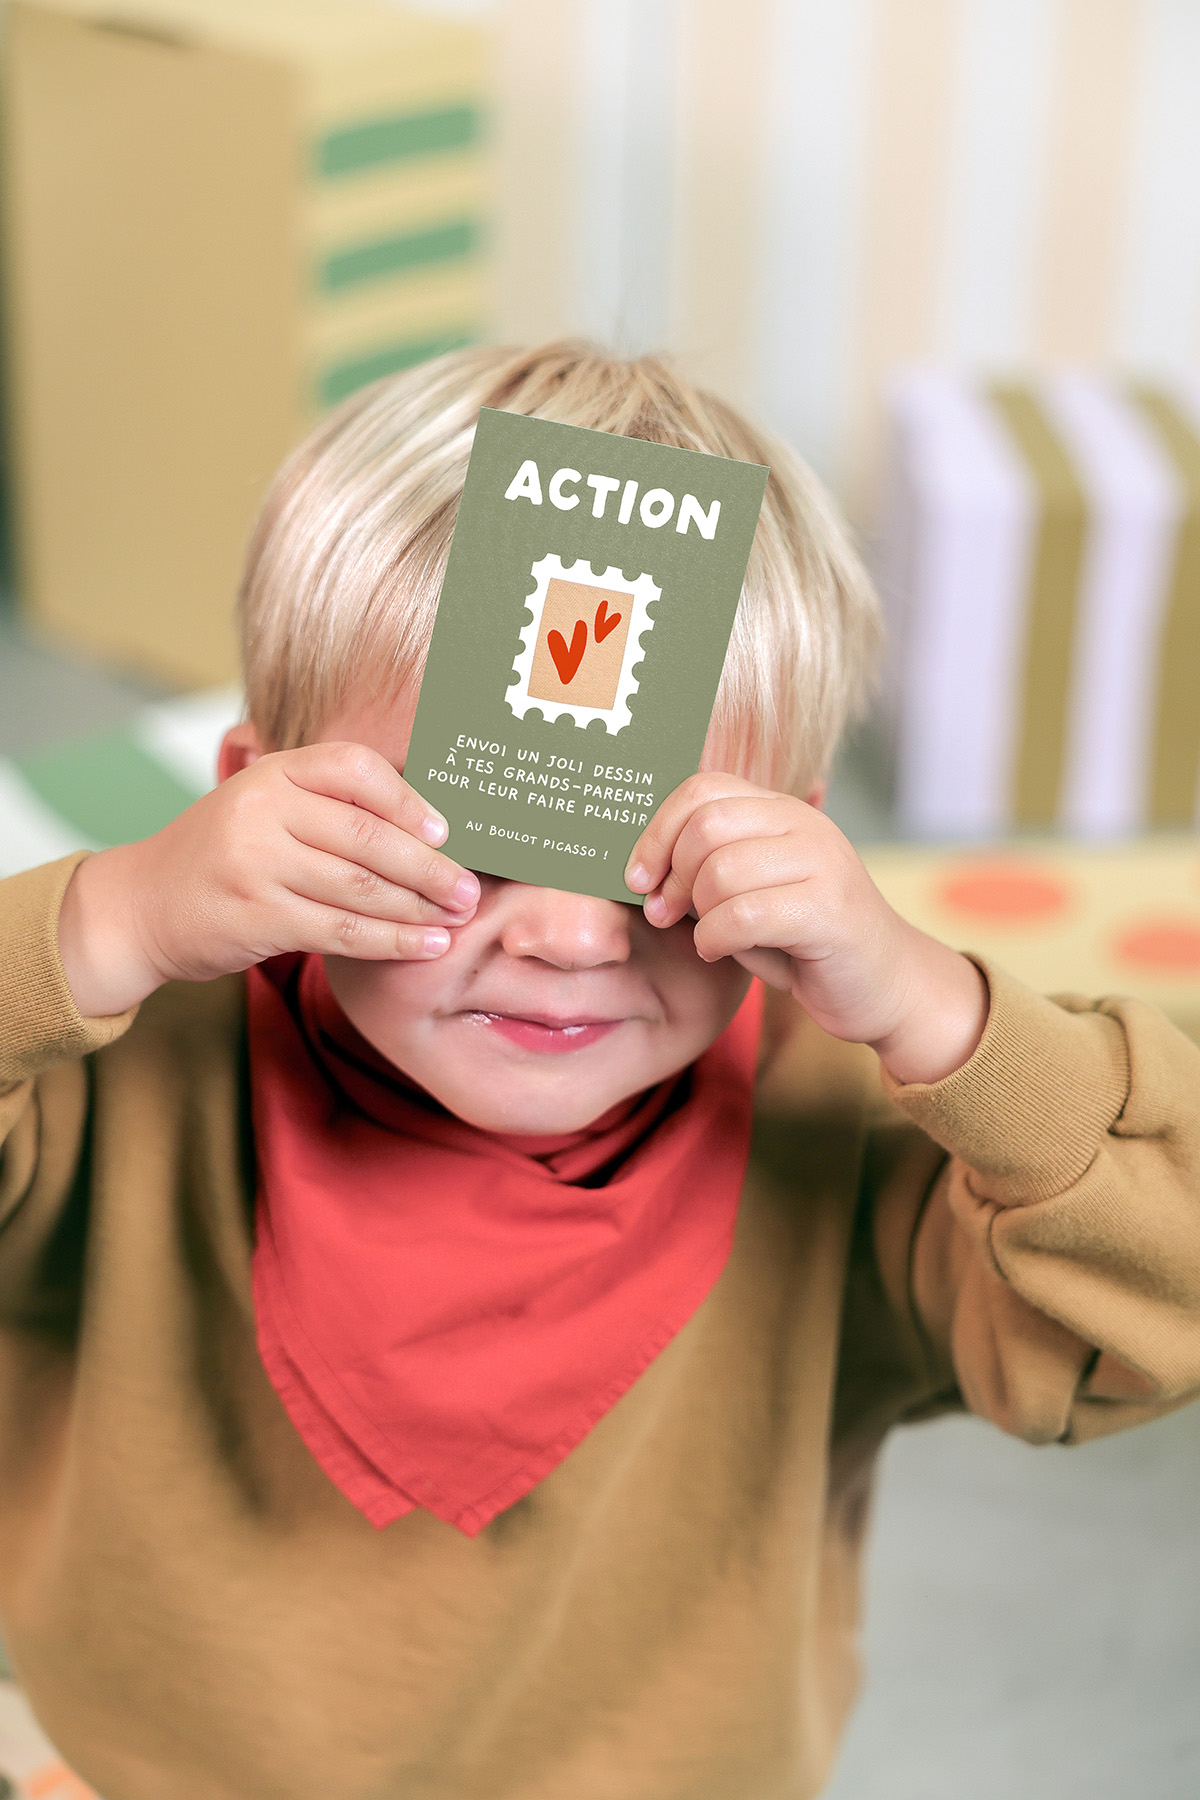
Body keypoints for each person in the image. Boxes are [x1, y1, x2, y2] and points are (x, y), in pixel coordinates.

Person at [1, 342, 1197, 1800]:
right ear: (255, 799)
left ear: (802, 846)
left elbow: (1159, 1305)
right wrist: (110, 919)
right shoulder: (120, 1067)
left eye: (662, 862)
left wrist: (932, 1006)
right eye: (461, 841)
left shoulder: (853, 1116)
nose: (568, 938)